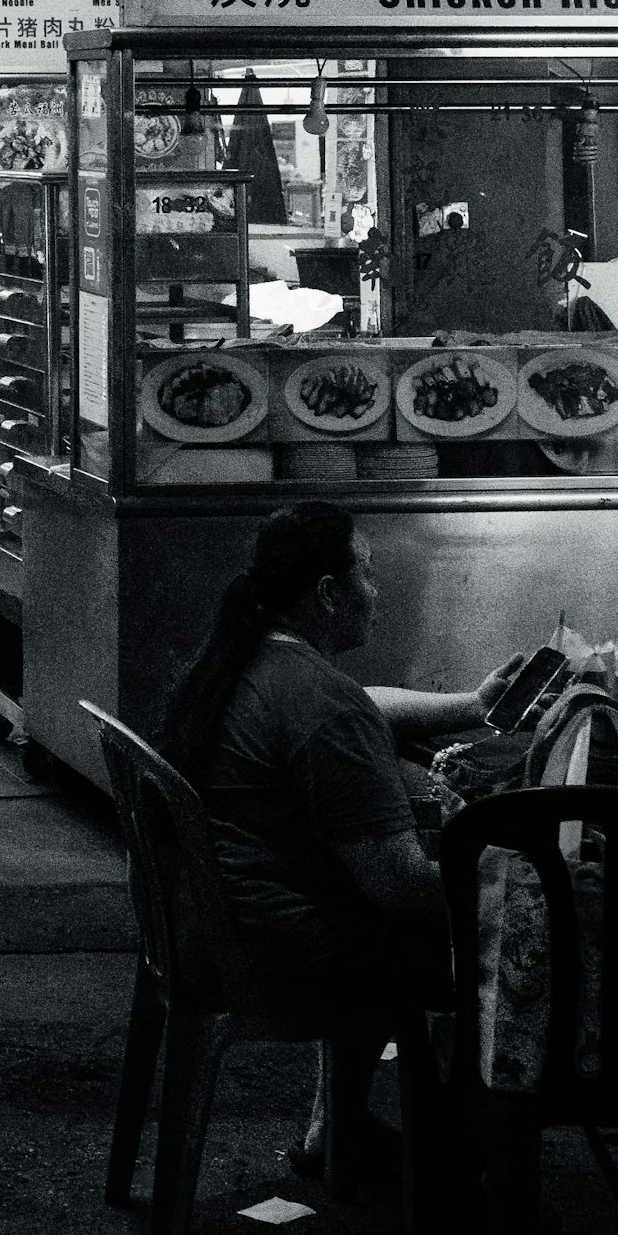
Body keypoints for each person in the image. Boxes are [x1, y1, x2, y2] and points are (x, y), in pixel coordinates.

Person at [157, 501, 511, 1186]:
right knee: (474, 950)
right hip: (271, 951)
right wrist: (502, 905)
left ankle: (337, 1131)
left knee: (380, 915)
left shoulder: (247, 657)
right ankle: (460, 1180)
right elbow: (399, 884)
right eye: (369, 575)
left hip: (201, 928)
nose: (377, 593)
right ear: (327, 592)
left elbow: (358, 702)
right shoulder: (321, 705)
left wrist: (476, 704)